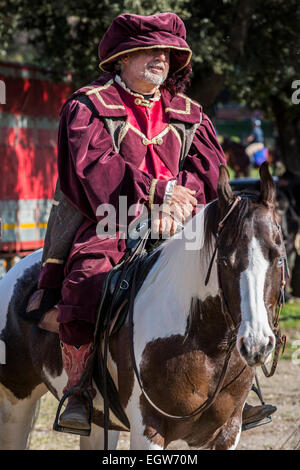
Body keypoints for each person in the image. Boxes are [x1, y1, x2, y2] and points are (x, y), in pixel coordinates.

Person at [37, 12, 275, 433]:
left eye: (166, 52)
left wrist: (178, 205)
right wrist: (155, 193)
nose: (160, 58)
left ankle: (240, 388)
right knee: (88, 276)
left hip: (186, 225)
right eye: (149, 50)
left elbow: (210, 172)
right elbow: (93, 167)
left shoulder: (190, 113)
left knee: (229, 275)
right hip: (109, 221)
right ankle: (80, 388)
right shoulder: (87, 105)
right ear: (122, 56)